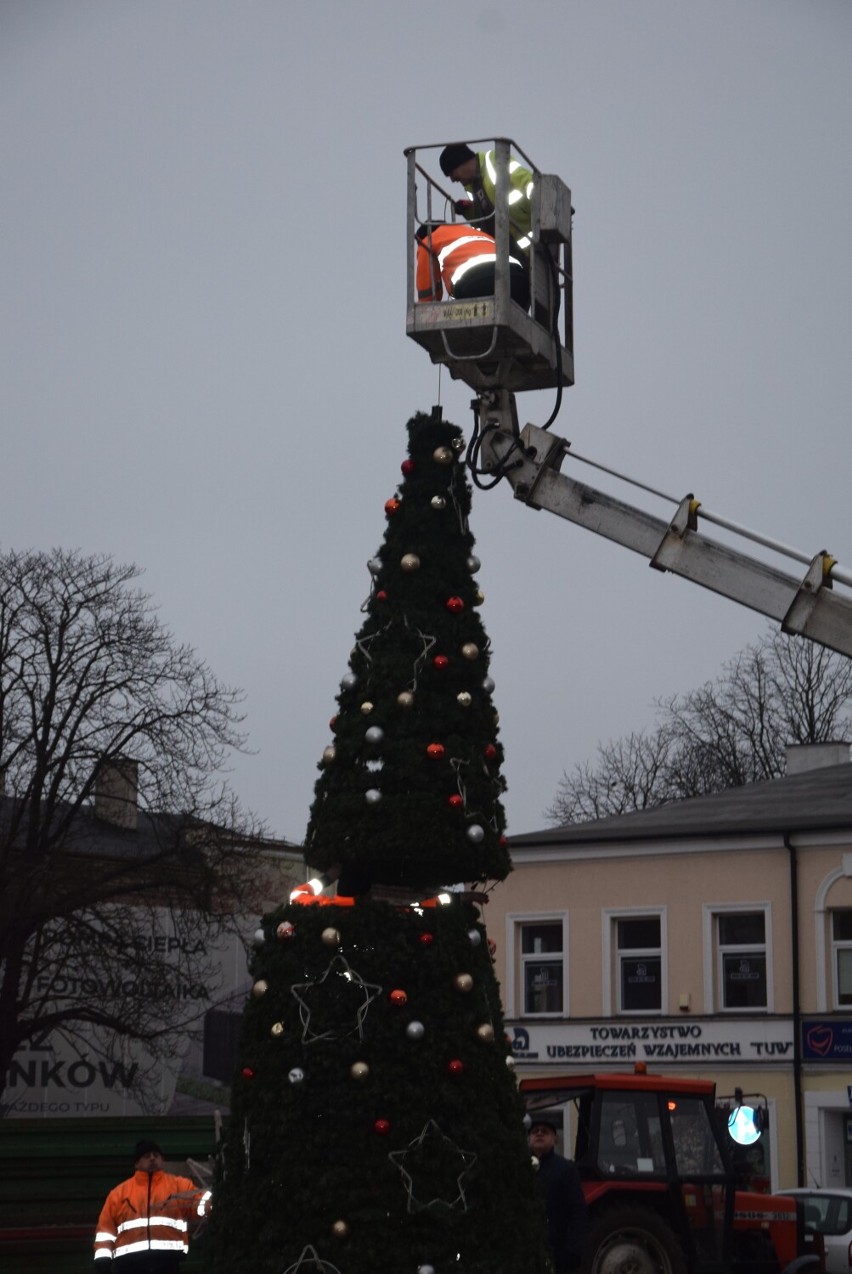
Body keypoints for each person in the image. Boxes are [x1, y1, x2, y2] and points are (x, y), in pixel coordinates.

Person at [93, 1139, 211, 1271]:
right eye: (147, 1156)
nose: (152, 1158)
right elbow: (105, 1229)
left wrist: (212, 1201)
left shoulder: (179, 1186)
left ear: (162, 1160)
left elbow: (198, 1203)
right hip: (129, 1264)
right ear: (137, 1163)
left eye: (156, 1155)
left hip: (167, 1261)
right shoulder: (119, 1193)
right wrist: (103, 1258)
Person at [439, 142, 534, 251]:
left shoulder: (495, 161)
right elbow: (485, 221)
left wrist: (544, 210)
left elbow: (527, 182)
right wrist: (468, 211)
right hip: (508, 254)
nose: (452, 180)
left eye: (451, 173)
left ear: (461, 162)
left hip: (533, 247)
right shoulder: (472, 187)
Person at [415, 222, 530, 310]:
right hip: (518, 280)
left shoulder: (427, 241)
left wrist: (425, 313)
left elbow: (429, 296)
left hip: (478, 283)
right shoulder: (472, 232)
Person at [528, 1118, 589, 1274]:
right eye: (535, 1131)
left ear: (554, 1139)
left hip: (558, 1252)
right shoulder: (519, 1167)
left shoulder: (566, 1170)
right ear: (529, 1138)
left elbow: (578, 1211)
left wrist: (573, 1250)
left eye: (545, 1131)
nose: (539, 1133)